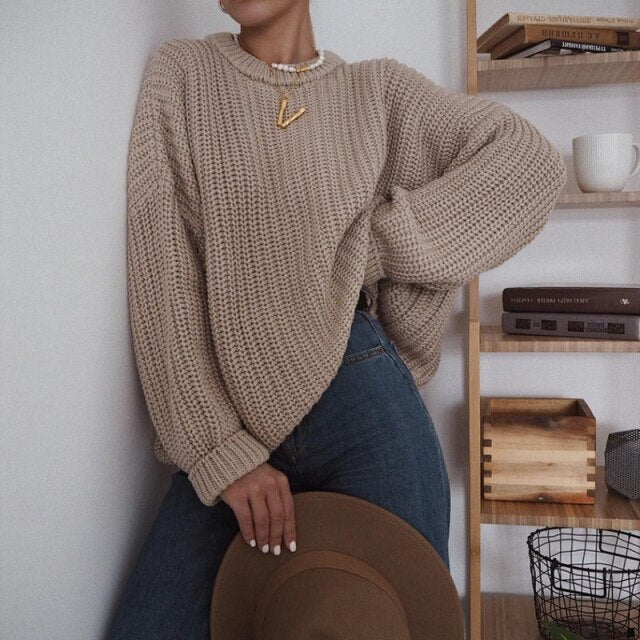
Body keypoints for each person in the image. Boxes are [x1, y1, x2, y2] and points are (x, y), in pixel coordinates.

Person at [108, 0, 567, 637]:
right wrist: (219, 452)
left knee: (393, 623)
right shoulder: (183, 75)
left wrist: (375, 245)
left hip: (362, 400)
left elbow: (529, 163)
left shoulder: (376, 92)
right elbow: (163, 272)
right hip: (234, 424)